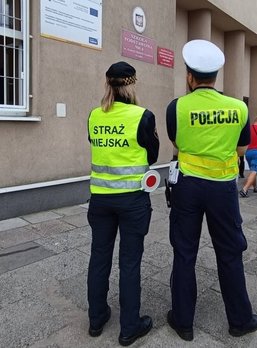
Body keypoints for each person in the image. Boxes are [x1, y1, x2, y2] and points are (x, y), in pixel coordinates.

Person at [166, 39, 257, 341]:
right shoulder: (239, 108)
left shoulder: (176, 107)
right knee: (230, 252)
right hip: (223, 189)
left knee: (184, 252)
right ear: (216, 76)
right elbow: (243, 147)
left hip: (188, 188)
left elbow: (177, 144)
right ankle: (240, 320)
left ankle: (183, 322)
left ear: (189, 77)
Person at [87, 61, 159, 346]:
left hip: (100, 200)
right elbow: (151, 157)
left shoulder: (94, 115)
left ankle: (96, 318)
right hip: (132, 201)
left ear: (108, 84)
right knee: (129, 262)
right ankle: (129, 327)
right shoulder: (143, 116)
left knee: (99, 258)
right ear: (132, 84)